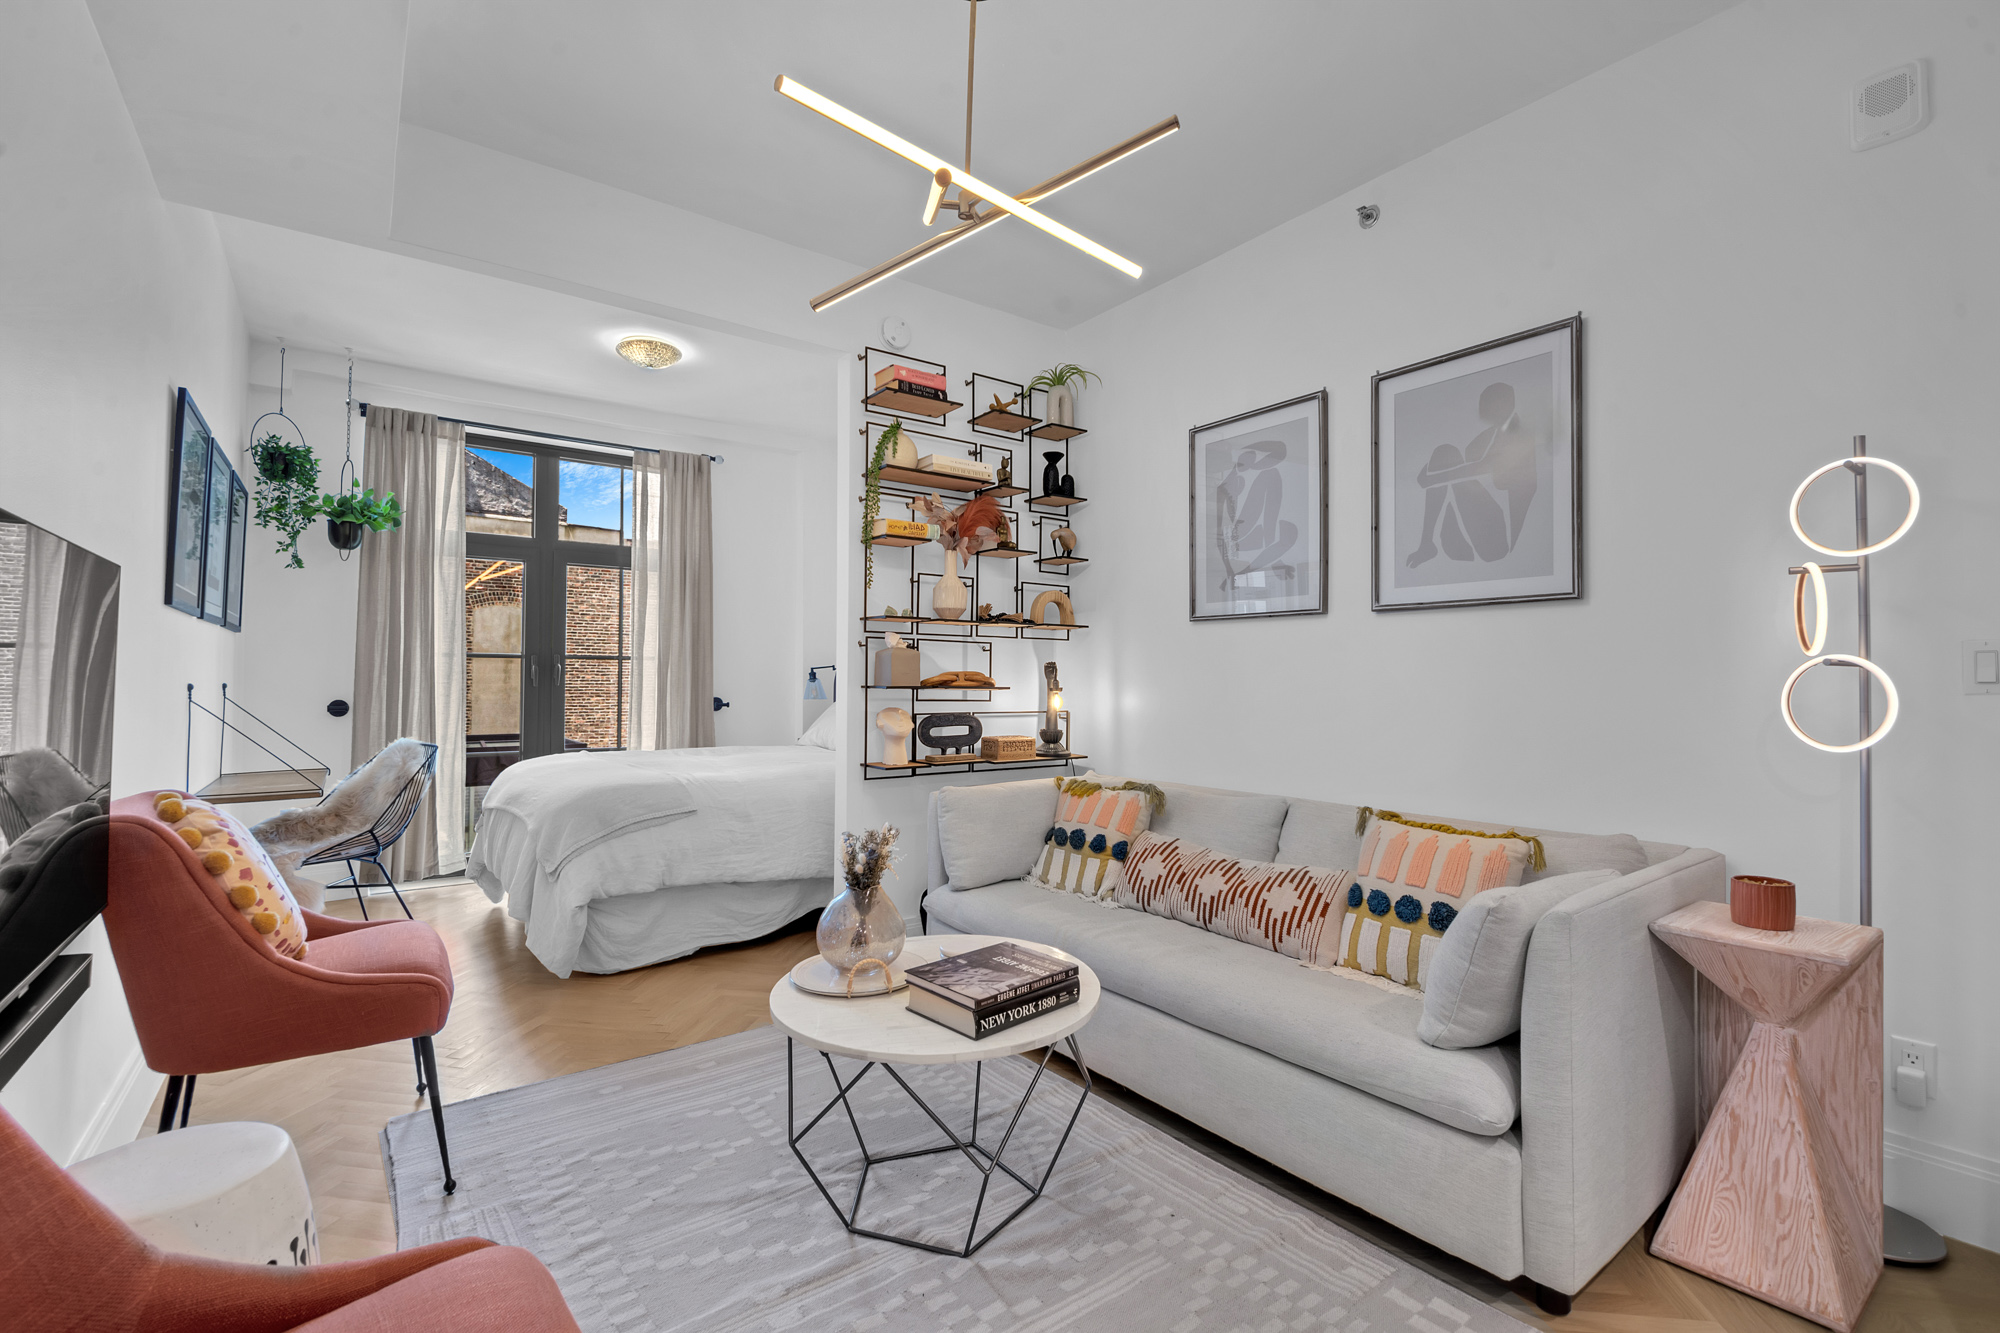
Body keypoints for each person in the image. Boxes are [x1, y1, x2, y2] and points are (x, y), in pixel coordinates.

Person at [1405, 381, 1539, 569]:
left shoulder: (1519, 434)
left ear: (1506, 403)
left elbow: (1487, 467)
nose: (1481, 410)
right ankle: (1428, 543)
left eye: (1487, 404)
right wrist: (1430, 471)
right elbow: (1469, 464)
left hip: (1501, 537)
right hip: (1479, 524)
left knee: (1445, 455)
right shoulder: (1487, 436)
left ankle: (1428, 544)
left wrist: (1434, 477)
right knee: (1445, 453)